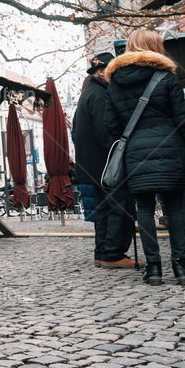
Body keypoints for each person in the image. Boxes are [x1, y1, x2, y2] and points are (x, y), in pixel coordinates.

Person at [103, 29, 185, 286]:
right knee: (176, 210)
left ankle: (154, 268)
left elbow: (110, 125)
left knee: (144, 209)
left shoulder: (115, 82)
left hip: (137, 152)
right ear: (155, 47)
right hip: (171, 149)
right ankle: (181, 268)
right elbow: (184, 121)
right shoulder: (167, 78)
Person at [72, 52, 139, 269]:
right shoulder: (100, 95)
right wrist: (121, 152)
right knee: (119, 206)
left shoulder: (89, 93)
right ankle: (113, 254)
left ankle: (102, 253)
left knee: (104, 208)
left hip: (95, 165)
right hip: (106, 163)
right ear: (102, 72)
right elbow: (105, 133)